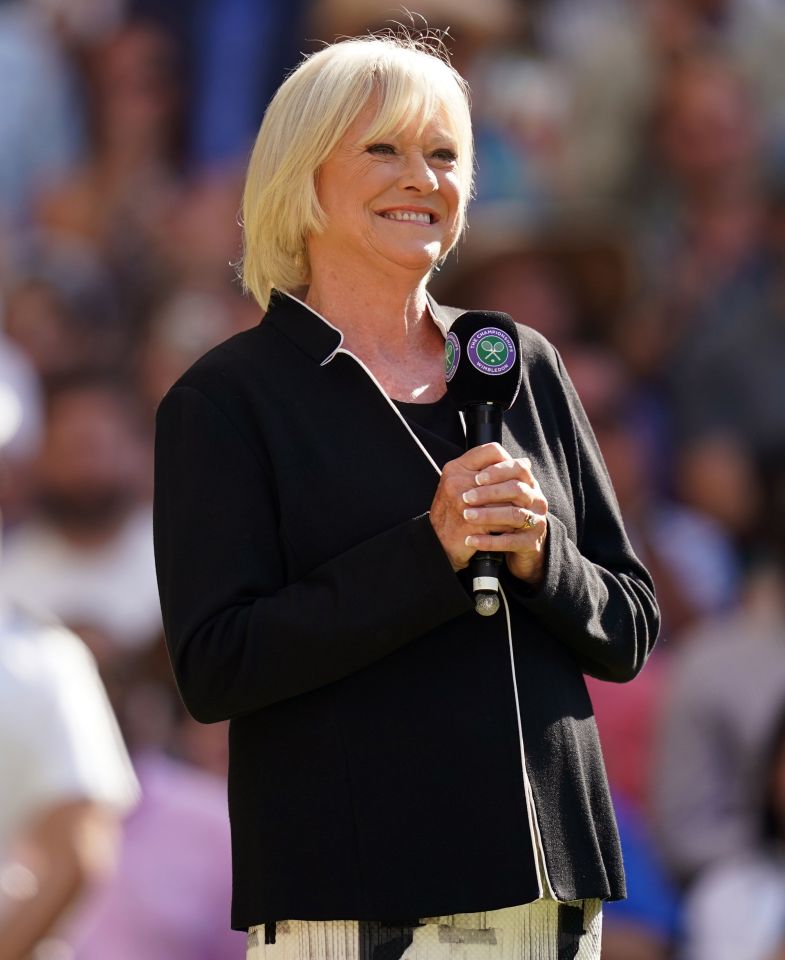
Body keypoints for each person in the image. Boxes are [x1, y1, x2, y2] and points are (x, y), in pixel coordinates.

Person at [153, 32, 660, 960]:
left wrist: (544, 558)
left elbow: (629, 627)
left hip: (552, 898)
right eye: (383, 149)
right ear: (301, 179)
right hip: (358, 902)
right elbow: (215, 665)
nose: (419, 177)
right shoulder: (225, 399)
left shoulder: (520, 362)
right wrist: (428, 554)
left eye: (443, 153)